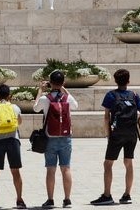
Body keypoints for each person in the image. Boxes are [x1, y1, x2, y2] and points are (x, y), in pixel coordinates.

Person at [90, 69, 140, 206]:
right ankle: (127, 195)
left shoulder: (111, 95)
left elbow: (106, 117)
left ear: (115, 80)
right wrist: (135, 123)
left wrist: (108, 133)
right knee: (128, 162)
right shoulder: (134, 95)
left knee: (108, 163)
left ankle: (107, 195)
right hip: (131, 134)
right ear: (128, 81)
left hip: (116, 134)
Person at [33, 70, 78, 209]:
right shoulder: (68, 99)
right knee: (66, 168)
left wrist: (40, 90)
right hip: (66, 138)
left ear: (50, 83)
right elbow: (76, 106)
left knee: (50, 170)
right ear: (63, 83)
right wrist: (63, 89)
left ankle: (50, 199)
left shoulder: (45, 99)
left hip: (50, 138)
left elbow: (35, 108)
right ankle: (67, 199)